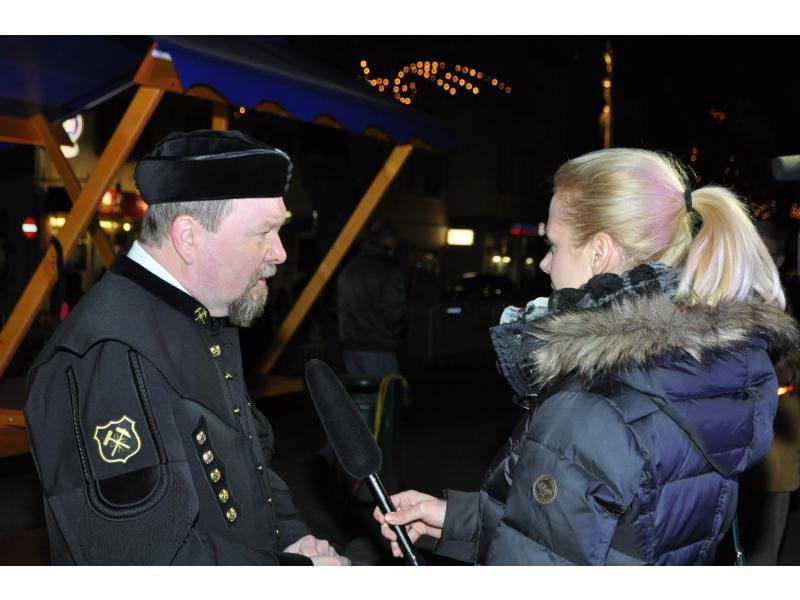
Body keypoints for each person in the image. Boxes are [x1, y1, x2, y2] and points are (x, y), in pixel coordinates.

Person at [374, 147, 799, 565]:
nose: (544, 263)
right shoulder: (696, 370)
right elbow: (597, 539)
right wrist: (456, 521)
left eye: (553, 245)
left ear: (600, 252)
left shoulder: (593, 406)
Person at [25, 129, 349, 565]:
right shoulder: (107, 353)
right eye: (264, 233)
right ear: (188, 237)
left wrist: (291, 539)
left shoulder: (193, 315)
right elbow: (141, 563)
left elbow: (248, 464)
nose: (280, 253)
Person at [738, 217, 800, 565]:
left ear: (779, 259)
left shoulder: (786, 302)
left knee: (764, 551)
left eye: (766, 250)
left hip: (776, 444)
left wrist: (789, 368)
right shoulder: (728, 291)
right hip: (733, 446)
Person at [336, 220, 407, 378]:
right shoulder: (388, 270)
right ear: (389, 240)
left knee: (356, 392)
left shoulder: (350, 267)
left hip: (350, 347)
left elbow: (338, 306)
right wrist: (394, 337)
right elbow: (395, 313)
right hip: (379, 348)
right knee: (384, 392)